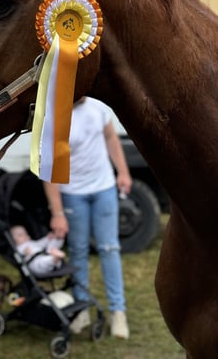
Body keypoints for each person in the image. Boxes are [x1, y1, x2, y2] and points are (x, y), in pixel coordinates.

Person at [43, 96, 133, 339]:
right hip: (73, 194)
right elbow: (48, 168)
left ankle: (118, 312)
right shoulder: (53, 117)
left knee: (109, 249)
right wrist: (58, 213)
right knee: (78, 252)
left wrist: (122, 172)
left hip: (104, 189)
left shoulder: (99, 105)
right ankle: (81, 309)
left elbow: (110, 137)